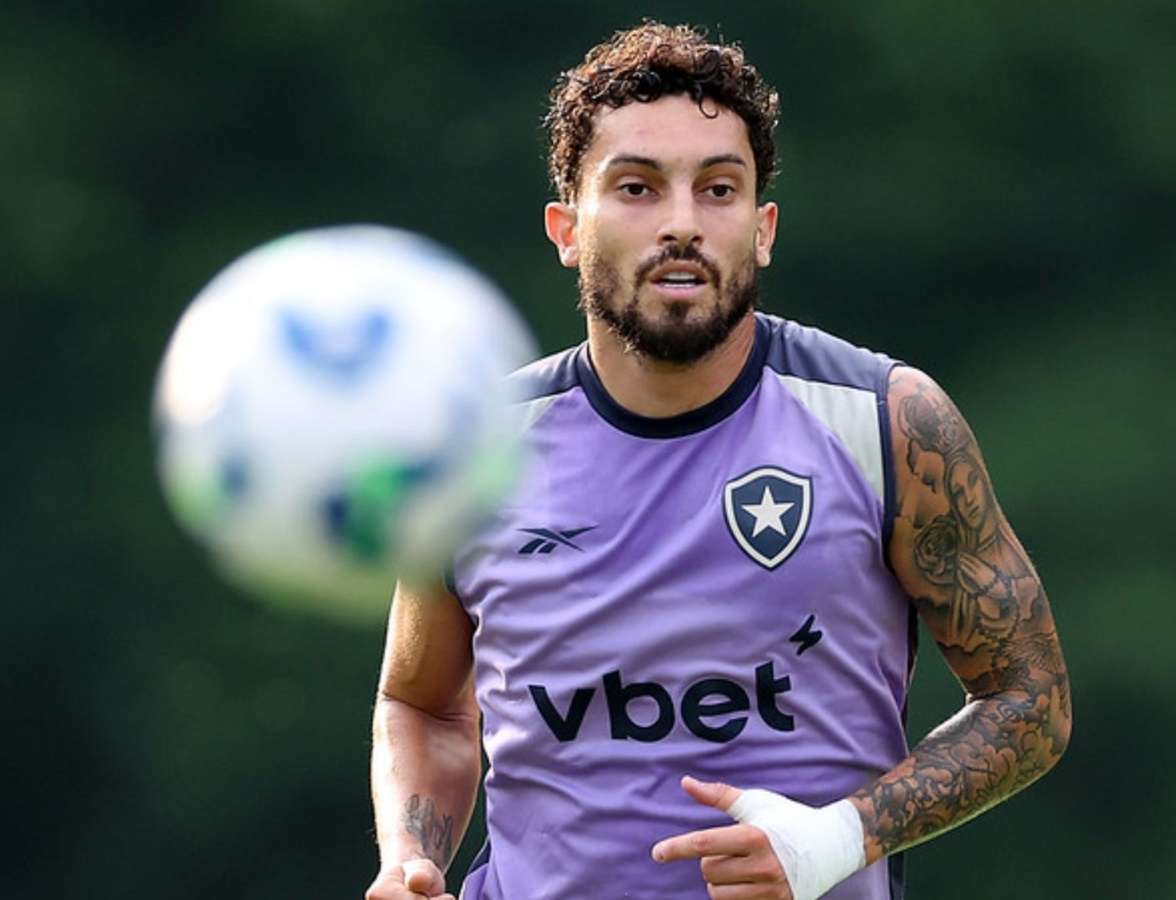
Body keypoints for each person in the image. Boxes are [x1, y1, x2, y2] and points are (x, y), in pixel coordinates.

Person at [365, 22, 1071, 900]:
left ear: (762, 228)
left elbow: (1030, 701)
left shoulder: (886, 422)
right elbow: (423, 706)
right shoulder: (475, 452)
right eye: (636, 188)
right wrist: (410, 856)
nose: (682, 224)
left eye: (719, 189)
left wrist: (839, 838)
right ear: (567, 229)